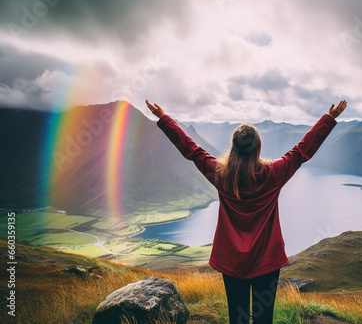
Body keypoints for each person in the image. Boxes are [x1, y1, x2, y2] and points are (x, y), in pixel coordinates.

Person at [146, 99, 347, 324]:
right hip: (267, 259)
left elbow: (192, 151)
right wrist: (329, 119)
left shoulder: (220, 175)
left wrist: (164, 120)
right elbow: (301, 151)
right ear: (258, 147)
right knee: (264, 319)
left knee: (237, 317)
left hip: (232, 261)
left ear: (234, 147)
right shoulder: (274, 174)